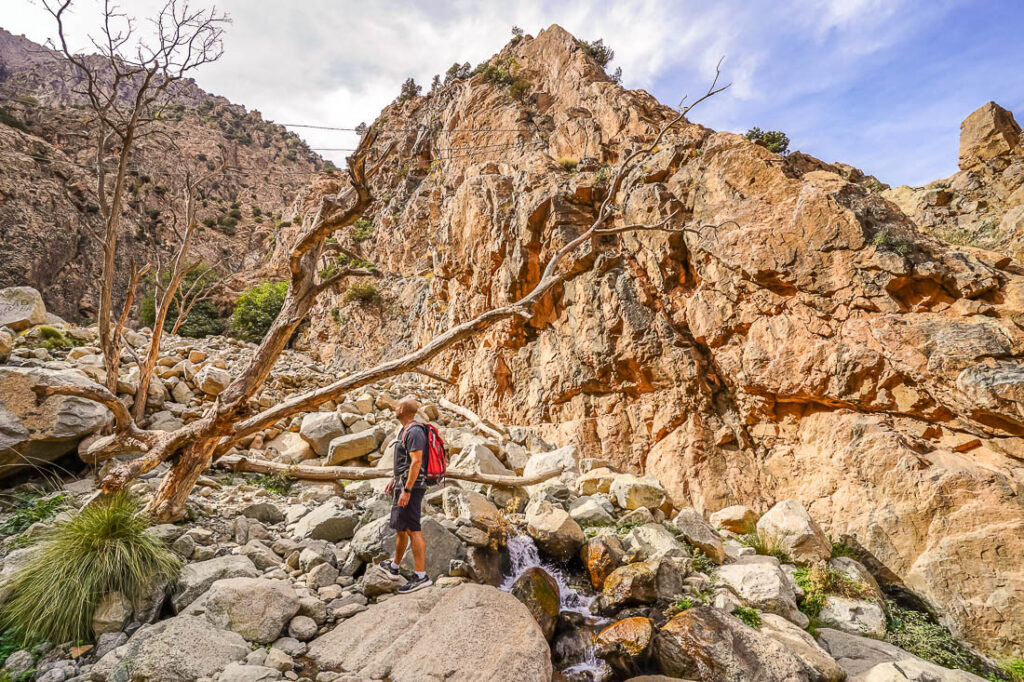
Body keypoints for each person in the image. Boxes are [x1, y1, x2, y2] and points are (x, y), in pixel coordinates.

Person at [378, 396, 431, 592]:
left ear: (403, 409)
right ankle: (394, 567)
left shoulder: (415, 431)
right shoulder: (406, 429)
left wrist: (407, 489)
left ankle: (421, 576)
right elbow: (405, 462)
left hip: (412, 487)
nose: (394, 406)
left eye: (397, 404)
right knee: (402, 527)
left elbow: (416, 462)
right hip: (404, 484)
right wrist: (396, 478)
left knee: (413, 529)